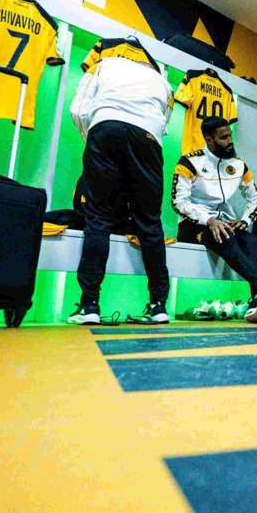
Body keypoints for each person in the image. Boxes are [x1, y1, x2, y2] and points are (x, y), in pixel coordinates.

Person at [67, 51, 172, 325]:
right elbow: (163, 122)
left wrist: (93, 141)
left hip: (106, 127)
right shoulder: (161, 80)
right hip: (148, 137)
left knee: (98, 217)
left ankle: (89, 305)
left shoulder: (105, 63)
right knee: (150, 222)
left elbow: (78, 109)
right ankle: (159, 305)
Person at [171, 116, 257, 322]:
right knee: (223, 234)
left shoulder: (239, 165)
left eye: (230, 135)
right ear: (209, 139)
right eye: (224, 137)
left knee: (252, 239)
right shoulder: (190, 162)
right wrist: (209, 220)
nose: (230, 141)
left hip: (225, 224)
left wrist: (245, 221)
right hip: (193, 225)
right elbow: (178, 202)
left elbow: (256, 199)